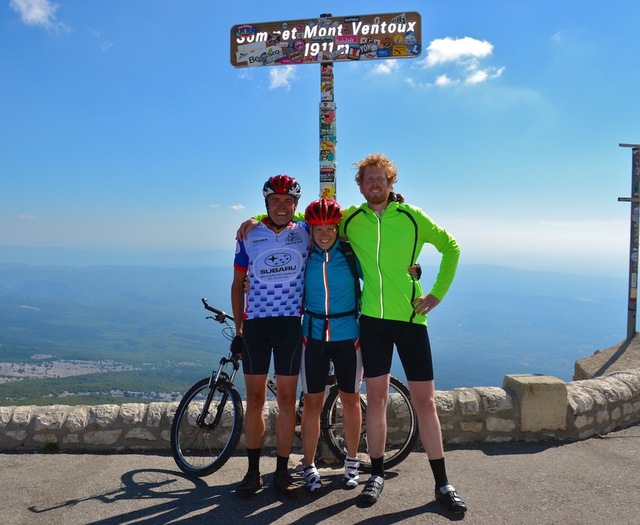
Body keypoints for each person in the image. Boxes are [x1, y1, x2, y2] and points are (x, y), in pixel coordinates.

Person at [340, 153, 467, 514]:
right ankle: (376, 474)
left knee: (425, 402)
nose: (375, 184)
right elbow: (306, 219)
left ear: (390, 183)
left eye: (381, 179)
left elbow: (451, 247)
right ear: (361, 185)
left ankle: (442, 483)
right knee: (376, 400)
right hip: (373, 321)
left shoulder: (413, 217)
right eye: (369, 180)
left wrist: (437, 294)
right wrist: (255, 219)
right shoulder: (352, 219)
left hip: (412, 321)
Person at [231, 174, 309, 497]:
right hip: (257, 327)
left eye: (288, 201)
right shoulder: (249, 235)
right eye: (275, 201)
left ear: (296, 205)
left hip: (290, 325)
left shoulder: (305, 233)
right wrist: (238, 329)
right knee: (256, 402)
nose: (282, 206)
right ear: (266, 204)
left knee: (288, 401)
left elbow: (335, 222)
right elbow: (237, 285)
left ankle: (281, 473)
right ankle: (252, 473)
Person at [299, 198, 363, 492]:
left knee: (350, 400)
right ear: (309, 230)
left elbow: (383, 272)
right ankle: (309, 465)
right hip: (312, 337)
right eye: (317, 228)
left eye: (330, 228)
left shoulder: (351, 254)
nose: (324, 233)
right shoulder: (304, 255)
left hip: (348, 335)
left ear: (339, 228)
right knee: (311, 404)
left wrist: (413, 271)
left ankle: (351, 460)